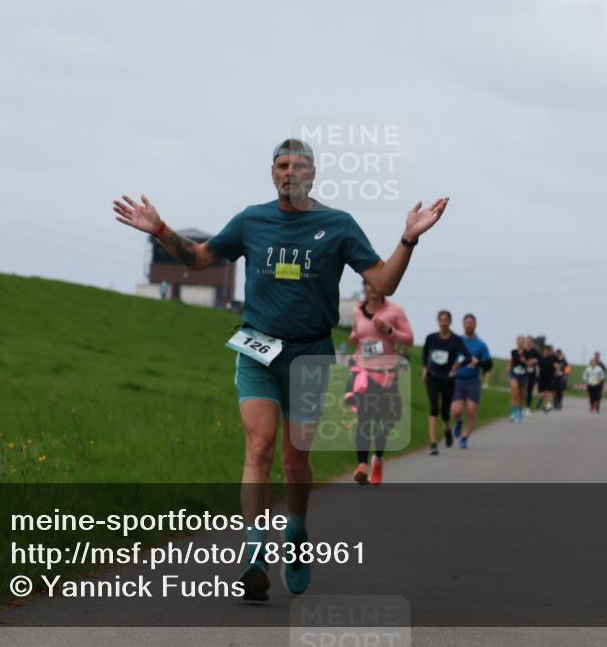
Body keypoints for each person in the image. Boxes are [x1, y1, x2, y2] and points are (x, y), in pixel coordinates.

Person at [112, 138, 448, 601]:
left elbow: (383, 281)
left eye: (299, 166)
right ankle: (254, 554)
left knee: (295, 461)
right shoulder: (252, 220)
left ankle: (296, 532)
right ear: (272, 173)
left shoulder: (338, 225)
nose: (290, 173)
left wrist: (408, 238)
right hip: (258, 349)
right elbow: (200, 259)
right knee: (259, 445)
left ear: (314, 173)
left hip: (310, 356)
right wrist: (160, 230)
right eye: (282, 165)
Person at [347, 279, 414, 485]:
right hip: (364, 373)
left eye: (377, 285)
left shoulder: (395, 311)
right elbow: (356, 333)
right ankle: (361, 465)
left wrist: (389, 331)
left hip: (387, 375)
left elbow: (409, 339)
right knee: (365, 420)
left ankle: (377, 459)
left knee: (384, 422)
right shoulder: (357, 311)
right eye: (369, 284)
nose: (373, 288)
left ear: (383, 289)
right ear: (364, 287)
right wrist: (353, 337)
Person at [422, 310, 475, 455]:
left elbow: (468, 357)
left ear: (450, 322)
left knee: (445, 412)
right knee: (434, 408)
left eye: (446, 320)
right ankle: (433, 444)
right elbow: (425, 353)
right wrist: (425, 368)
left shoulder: (455, 340)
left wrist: (458, 365)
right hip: (433, 377)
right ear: (438, 321)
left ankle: (447, 427)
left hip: (448, 378)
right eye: (441, 320)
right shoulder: (431, 338)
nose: (443, 323)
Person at [451, 313, 492, 448]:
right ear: (463, 325)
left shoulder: (481, 345)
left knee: (472, 411)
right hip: (458, 380)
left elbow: (488, 364)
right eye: (467, 323)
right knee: (456, 411)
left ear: (475, 325)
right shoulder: (457, 341)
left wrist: (478, 362)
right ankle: (458, 422)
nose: (469, 325)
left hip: (473, 381)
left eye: (471, 323)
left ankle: (464, 438)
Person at [508, 336, 530, 423]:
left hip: (523, 375)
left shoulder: (527, 353)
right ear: (516, 342)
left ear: (524, 342)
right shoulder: (513, 352)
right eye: (519, 341)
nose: (520, 343)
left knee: (522, 395)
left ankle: (520, 411)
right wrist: (507, 369)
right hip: (514, 374)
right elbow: (512, 362)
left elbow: (529, 363)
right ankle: (513, 413)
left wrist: (525, 361)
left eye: (522, 341)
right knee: (515, 394)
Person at [537, 344, 560, 413]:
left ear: (550, 351)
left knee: (549, 391)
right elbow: (538, 366)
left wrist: (557, 371)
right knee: (542, 393)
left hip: (550, 376)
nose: (546, 351)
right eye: (545, 350)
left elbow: (557, 365)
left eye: (548, 350)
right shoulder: (541, 357)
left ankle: (548, 405)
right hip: (542, 377)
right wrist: (537, 372)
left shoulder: (554, 358)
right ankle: (545, 404)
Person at [523, 336, 540, 416]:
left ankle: (528, 408)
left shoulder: (535, 351)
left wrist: (533, 360)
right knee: (522, 390)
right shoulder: (522, 351)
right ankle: (521, 407)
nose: (528, 343)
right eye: (527, 341)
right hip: (522, 372)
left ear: (532, 342)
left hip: (531, 373)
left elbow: (539, 360)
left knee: (529, 391)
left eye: (530, 341)